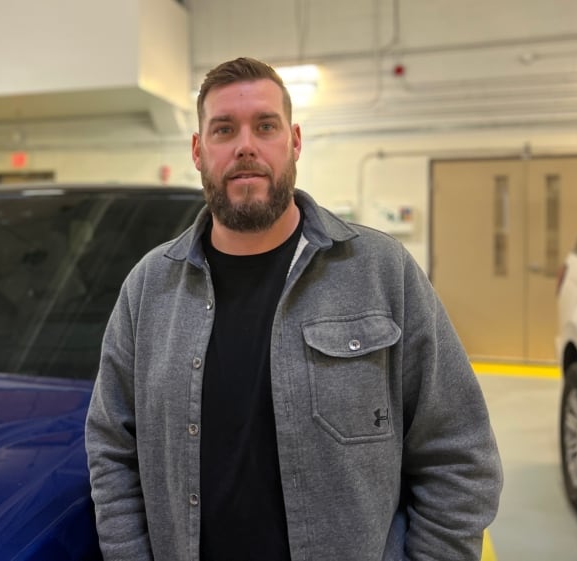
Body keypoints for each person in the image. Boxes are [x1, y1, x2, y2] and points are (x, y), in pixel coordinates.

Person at [85, 56, 503, 561]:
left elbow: (459, 454)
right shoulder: (147, 290)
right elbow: (111, 449)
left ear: (294, 141)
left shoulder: (381, 272)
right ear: (198, 150)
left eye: (265, 126)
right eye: (223, 129)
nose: (245, 146)